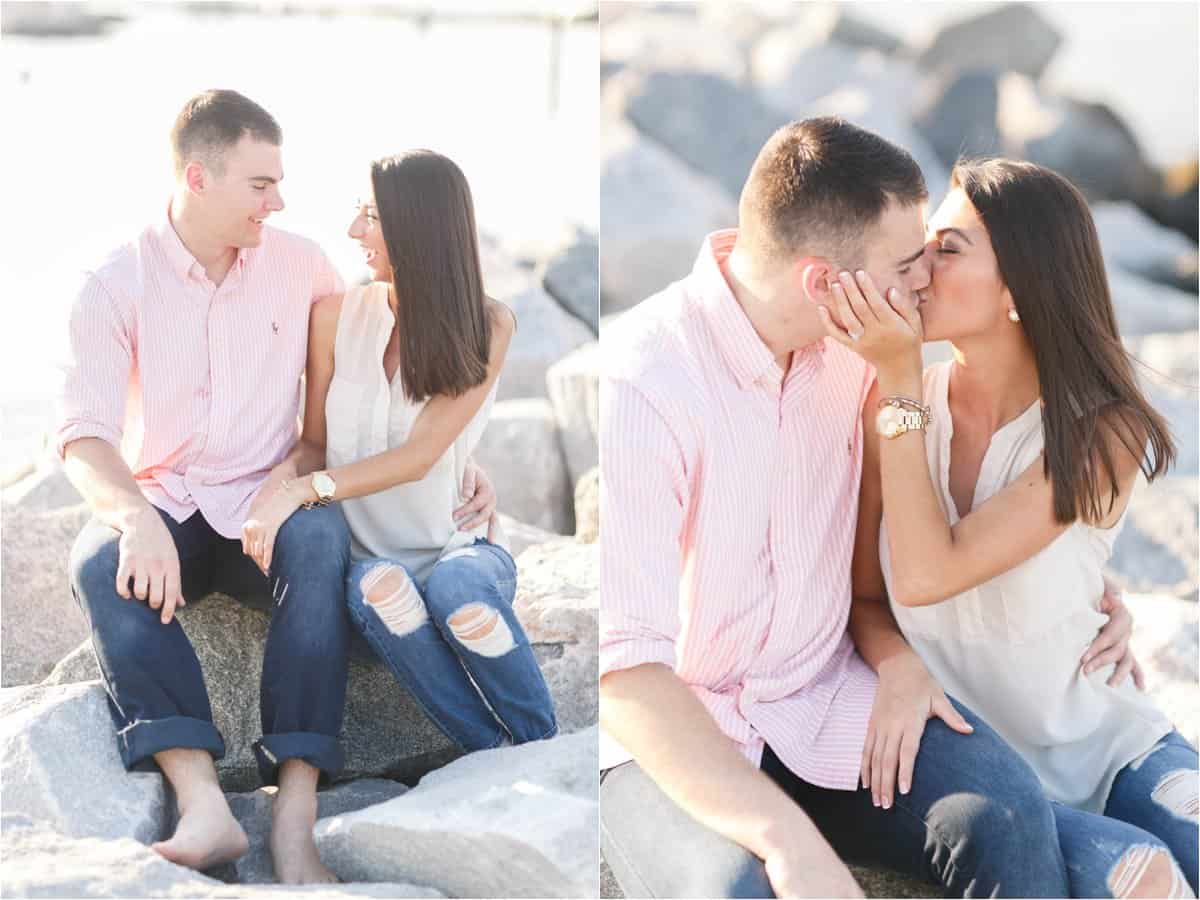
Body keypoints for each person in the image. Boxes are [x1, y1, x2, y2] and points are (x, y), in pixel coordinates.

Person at [598, 117, 1142, 898]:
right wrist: (783, 837)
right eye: (908, 263)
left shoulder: (870, 359)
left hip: (826, 695)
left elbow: (953, 522)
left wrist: (1088, 591)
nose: (924, 281)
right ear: (824, 282)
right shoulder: (647, 380)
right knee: (737, 890)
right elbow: (627, 669)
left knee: (1004, 816)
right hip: (679, 727)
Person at [57, 91, 495, 884]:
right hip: (172, 500)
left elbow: (373, 376)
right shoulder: (114, 282)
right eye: (261, 184)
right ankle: (203, 803)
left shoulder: (301, 267)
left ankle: (295, 814)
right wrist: (135, 520)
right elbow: (82, 435)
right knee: (99, 564)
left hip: (270, 500)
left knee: (322, 538)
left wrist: (458, 454)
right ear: (198, 176)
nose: (281, 201)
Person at [823, 157, 1198, 898]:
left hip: (1106, 742)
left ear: (1022, 287)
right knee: (1143, 879)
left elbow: (938, 569)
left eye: (948, 249)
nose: (919, 269)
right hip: (988, 777)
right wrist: (898, 662)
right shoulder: (893, 411)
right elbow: (879, 596)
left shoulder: (1100, 434)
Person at [241, 149, 558, 755]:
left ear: (418, 226)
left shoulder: (489, 326)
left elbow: (420, 455)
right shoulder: (334, 319)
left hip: (455, 548)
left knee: (457, 595)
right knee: (381, 590)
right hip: (368, 563)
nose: (354, 231)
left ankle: (543, 746)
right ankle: (492, 751)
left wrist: (308, 490)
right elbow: (312, 444)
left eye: (371, 216)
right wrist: (271, 497)